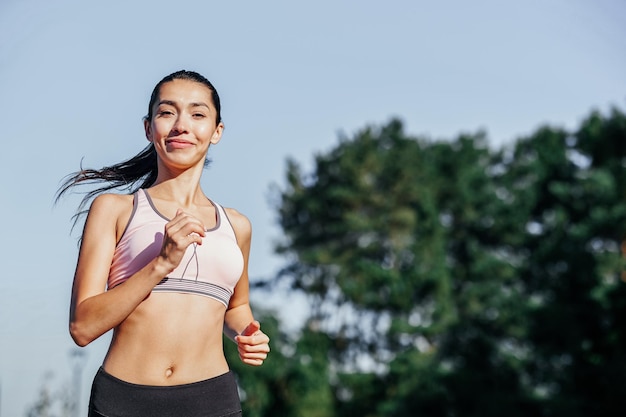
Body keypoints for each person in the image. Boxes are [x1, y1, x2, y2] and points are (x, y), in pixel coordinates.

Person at [57, 70, 270, 417]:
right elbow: (82, 326)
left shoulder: (238, 226)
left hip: (212, 401)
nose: (182, 125)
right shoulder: (114, 210)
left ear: (217, 131)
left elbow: (236, 307)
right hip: (124, 400)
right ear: (148, 127)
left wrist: (247, 333)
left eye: (198, 114)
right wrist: (160, 264)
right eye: (167, 112)